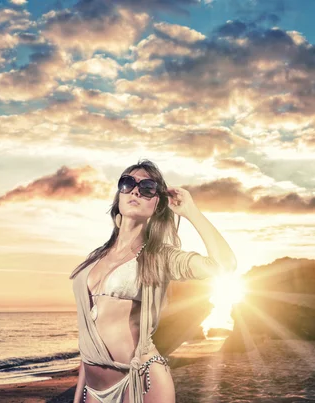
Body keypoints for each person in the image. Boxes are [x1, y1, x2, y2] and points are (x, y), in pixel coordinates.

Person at [70, 159, 237, 403]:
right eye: (127, 183)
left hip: (142, 381)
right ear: (119, 196)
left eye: (147, 187)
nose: (136, 190)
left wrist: (191, 211)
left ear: (157, 204)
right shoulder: (94, 258)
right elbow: (89, 335)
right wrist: (79, 394)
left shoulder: (160, 256)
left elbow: (225, 265)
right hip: (94, 391)